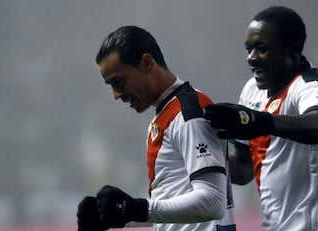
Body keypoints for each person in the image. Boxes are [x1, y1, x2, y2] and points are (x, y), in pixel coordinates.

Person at [76, 25, 236, 231]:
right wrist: (119, 216)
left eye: (119, 82)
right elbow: (175, 208)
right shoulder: (167, 114)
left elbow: (213, 202)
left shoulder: (188, 112)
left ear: (146, 63)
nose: (116, 95)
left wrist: (137, 209)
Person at [204, 5, 318, 231]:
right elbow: (243, 170)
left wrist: (258, 122)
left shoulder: (308, 86)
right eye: (248, 49)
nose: (251, 58)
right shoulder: (251, 90)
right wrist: (202, 158)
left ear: (293, 50)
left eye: (261, 49)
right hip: (273, 226)